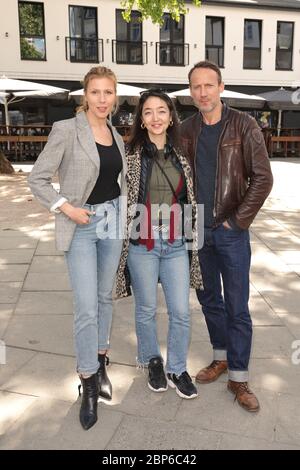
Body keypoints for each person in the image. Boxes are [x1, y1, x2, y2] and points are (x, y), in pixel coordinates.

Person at [28, 66, 127, 430]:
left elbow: (117, 182)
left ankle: (101, 361)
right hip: (81, 225)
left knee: (104, 298)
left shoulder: (116, 133)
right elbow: (37, 178)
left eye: (108, 93)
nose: (102, 99)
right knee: (86, 306)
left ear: (115, 96)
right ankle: (87, 381)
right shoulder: (67, 130)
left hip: (113, 222)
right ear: (85, 95)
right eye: (96, 92)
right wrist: (66, 207)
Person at [180, 60, 273, 412]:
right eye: (196, 87)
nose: (202, 92)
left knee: (237, 307)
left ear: (221, 87)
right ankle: (220, 358)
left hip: (231, 232)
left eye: (209, 85)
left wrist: (237, 222)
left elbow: (263, 178)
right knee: (208, 301)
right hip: (197, 232)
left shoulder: (244, 126)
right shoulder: (185, 130)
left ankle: (239, 376)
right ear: (191, 92)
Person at [116, 89, 202, 399]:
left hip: (176, 242)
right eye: (148, 112)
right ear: (141, 118)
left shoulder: (181, 153)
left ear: (170, 117)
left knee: (181, 311)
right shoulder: (130, 153)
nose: (155, 117)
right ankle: (152, 360)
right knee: (147, 309)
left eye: (161, 111)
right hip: (143, 241)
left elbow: (189, 196)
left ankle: (177, 368)